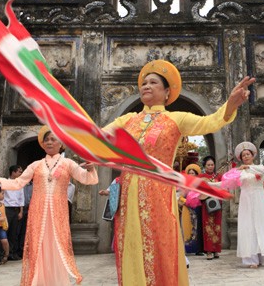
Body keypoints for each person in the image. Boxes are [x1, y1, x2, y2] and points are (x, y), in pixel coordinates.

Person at [103, 59, 254, 286]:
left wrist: (230, 105)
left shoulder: (175, 119)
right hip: (129, 193)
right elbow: (98, 137)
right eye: (144, 82)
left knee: (160, 242)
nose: (146, 86)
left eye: (153, 82)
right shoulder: (127, 120)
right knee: (132, 242)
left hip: (159, 192)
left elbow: (210, 122)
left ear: (166, 92)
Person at [0, 126, 98, 285]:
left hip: (58, 211)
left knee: (57, 246)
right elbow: (18, 183)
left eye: (53, 139)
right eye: (46, 140)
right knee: (39, 245)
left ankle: (57, 282)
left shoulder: (68, 163)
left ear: (61, 143)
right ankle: (38, 281)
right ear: (42, 144)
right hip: (38, 211)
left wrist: (91, 169)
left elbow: (87, 179)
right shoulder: (36, 165)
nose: (49, 142)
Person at [235, 141, 264, 268]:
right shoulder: (240, 172)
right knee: (247, 227)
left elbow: (260, 171)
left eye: (247, 154)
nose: (245, 157)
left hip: (258, 199)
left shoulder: (259, 167)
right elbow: (231, 181)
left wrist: (246, 167)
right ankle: (251, 259)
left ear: (252, 155)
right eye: (243, 155)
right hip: (245, 200)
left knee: (259, 226)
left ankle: (259, 256)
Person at [198, 155, 222, 260]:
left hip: (216, 202)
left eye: (212, 165)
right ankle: (208, 251)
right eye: (208, 165)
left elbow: (223, 186)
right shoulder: (200, 177)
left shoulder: (219, 176)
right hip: (206, 203)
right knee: (207, 226)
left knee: (217, 226)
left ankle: (216, 250)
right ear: (204, 166)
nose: (210, 167)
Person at [180, 164, 203, 256]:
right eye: (189, 173)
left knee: (197, 228)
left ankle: (198, 249)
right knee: (187, 228)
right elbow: (179, 197)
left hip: (197, 208)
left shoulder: (199, 184)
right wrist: (187, 201)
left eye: (193, 173)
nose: (191, 175)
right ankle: (188, 249)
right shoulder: (184, 185)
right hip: (186, 209)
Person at [4, 165, 24, 261]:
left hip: (16, 209)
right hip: (7, 208)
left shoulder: (20, 184)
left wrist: (21, 211)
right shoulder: (5, 183)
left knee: (14, 232)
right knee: (5, 231)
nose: (21, 173)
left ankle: (12, 252)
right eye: (19, 171)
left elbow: (21, 198)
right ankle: (3, 253)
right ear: (13, 172)